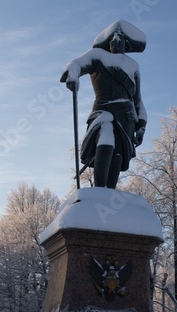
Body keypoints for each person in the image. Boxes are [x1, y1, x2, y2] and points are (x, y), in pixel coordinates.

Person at [60, 20, 147, 189]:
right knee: (105, 144)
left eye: (120, 38)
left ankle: (109, 193)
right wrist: (73, 76)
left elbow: (138, 100)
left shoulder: (133, 67)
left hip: (127, 116)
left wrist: (142, 125)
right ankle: (99, 191)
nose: (116, 40)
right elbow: (76, 64)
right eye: (113, 38)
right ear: (108, 42)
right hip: (103, 110)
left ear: (126, 43)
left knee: (118, 154)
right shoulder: (97, 56)